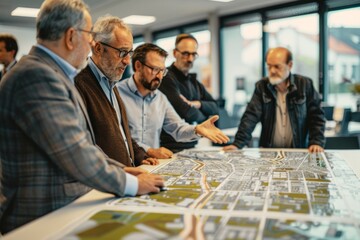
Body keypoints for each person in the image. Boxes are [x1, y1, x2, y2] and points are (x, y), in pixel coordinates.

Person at [0, 0, 163, 234]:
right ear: (70, 37)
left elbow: (83, 144)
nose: (90, 44)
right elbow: (72, 151)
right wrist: (131, 184)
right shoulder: (37, 76)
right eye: (88, 37)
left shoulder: (50, 74)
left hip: (58, 211)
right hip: (40, 217)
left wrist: (121, 169)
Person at [75, 16, 159, 164]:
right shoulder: (79, 83)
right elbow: (85, 145)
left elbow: (121, 133)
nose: (127, 61)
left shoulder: (111, 82)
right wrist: (122, 173)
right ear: (98, 49)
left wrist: (139, 157)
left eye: (129, 53)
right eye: (122, 52)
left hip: (126, 177)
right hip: (108, 181)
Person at [117, 43, 229, 153]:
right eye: (155, 69)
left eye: (162, 71)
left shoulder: (160, 98)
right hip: (123, 166)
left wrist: (197, 130)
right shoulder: (117, 93)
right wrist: (149, 150)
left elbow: (178, 128)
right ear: (138, 66)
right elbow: (116, 137)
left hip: (152, 165)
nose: (159, 76)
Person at [223, 47, 325, 153]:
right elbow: (250, 116)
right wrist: (238, 143)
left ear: (290, 65)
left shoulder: (305, 84)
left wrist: (316, 142)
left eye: (277, 66)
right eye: (269, 66)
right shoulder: (261, 86)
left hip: (298, 151)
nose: (272, 71)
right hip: (269, 152)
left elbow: (316, 116)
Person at [159, 33, 219, 152]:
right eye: (186, 53)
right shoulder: (166, 77)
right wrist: (204, 117)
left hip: (192, 144)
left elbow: (216, 107)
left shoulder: (193, 81)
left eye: (193, 54)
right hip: (170, 147)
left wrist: (196, 104)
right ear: (175, 53)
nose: (190, 59)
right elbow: (185, 111)